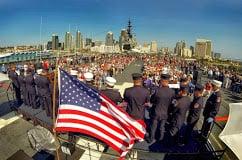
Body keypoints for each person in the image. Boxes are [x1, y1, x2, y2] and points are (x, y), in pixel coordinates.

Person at [147, 73, 175, 143]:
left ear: (162, 81)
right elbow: (172, 103)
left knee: (153, 127)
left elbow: (152, 100)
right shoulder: (172, 92)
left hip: (156, 112)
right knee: (162, 127)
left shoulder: (157, 91)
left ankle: (151, 139)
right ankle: (161, 139)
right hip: (165, 112)